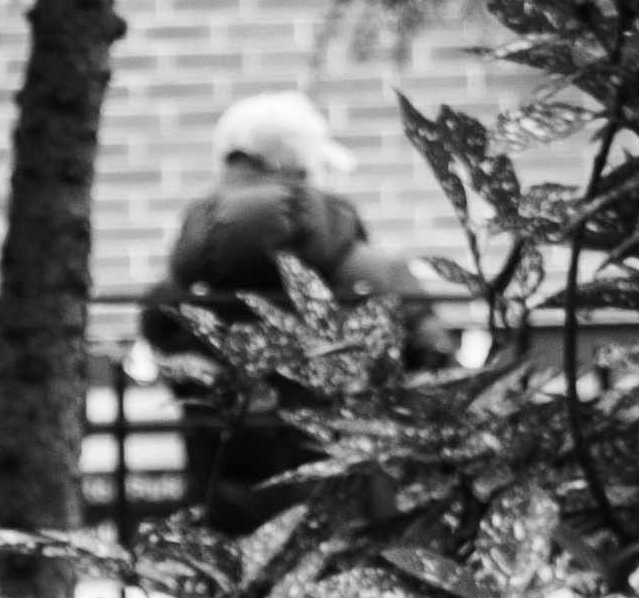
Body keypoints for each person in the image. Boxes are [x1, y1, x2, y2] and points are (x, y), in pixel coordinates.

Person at [135, 88, 445, 530]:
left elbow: (172, 368)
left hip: (228, 518)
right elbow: (436, 372)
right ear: (300, 166)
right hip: (353, 516)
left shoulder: (175, 293)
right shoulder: (379, 274)